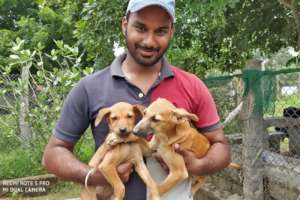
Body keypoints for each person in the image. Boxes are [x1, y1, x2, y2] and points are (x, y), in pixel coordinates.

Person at [42, 0, 231, 199]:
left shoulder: (192, 85)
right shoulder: (89, 88)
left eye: (160, 31)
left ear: (171, 32)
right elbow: (54, 154)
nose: (149, 41)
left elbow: (221, 146)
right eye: (140, 28)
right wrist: (95, 175)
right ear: (125, 24)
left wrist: (199, 165)